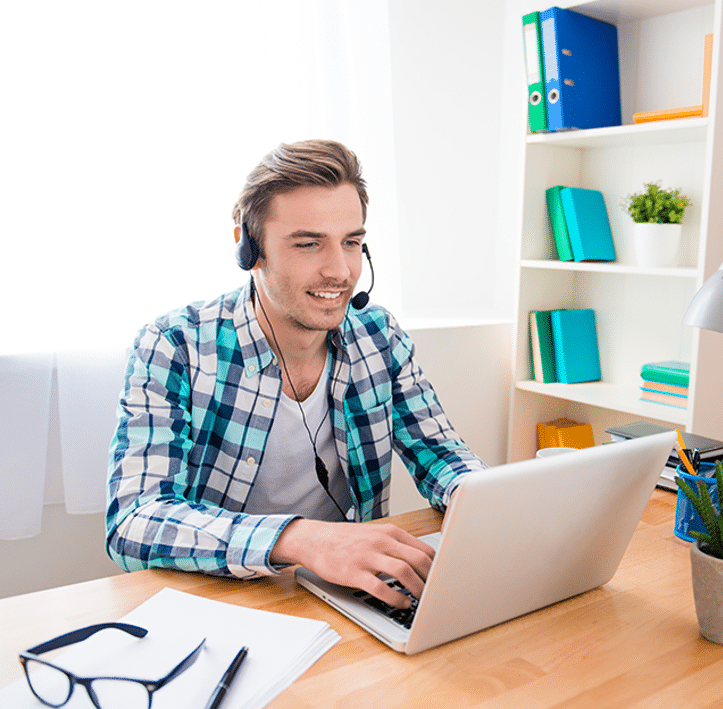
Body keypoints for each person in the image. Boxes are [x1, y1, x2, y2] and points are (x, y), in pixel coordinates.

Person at [107, 139, 486, 609]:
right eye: (309, 244)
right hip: (224, 602)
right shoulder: (174, 345)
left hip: (355, 596)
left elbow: (441, 453)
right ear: (250, 249)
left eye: (352, 243)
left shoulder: (379, 334)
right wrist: (302, 540)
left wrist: (489, 504)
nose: (340, 271)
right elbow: (134, 520)